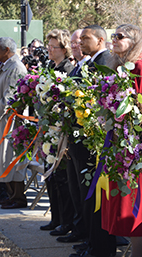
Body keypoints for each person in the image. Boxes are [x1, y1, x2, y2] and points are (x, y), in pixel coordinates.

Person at [100, 24, 142, 257]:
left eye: (119, 37)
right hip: (117, 139)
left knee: (133, 199)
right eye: (113, 35)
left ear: (133, 41)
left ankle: (138, 252)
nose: (114, 40)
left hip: (133, 143)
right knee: (118, 198)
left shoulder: (140, 67)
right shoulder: (117, 66)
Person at [70, 24, 116, 257]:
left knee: (93, 197)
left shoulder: (106, 61)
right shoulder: (89, 63)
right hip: (82, 139)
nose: (80, 43)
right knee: (84, 195)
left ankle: (99, 247)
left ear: (100, 40)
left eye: (85, 38)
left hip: (93, 141)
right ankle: (90, 242)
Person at [54, 29, 91, 247]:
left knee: (80, 188)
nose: (77, 46)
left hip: (83, 136)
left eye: (80, 42)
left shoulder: (87, 67)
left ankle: (83, 231)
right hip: (71, 133)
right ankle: (78, 228)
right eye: (75, 42)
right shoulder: (76, 67)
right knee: (74, 187)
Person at [0, 37, 27, 209]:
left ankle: (18, 197)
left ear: (8, 50)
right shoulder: (5, 66)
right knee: (2, 160)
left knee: (10, 159)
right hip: (0, 120)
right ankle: (11, 195)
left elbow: (10, 98)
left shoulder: (16, 67)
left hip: (10, 122)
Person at [42, 28, 76, 239]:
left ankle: (66, 221)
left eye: (53, 46)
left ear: (64, 49)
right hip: (50, 127)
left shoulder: (67, 68)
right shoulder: (50, 66)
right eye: (48, 46)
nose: (49, 50)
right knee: (51, 176)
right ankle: (55, 218)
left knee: (61, 177)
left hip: (61, 131)